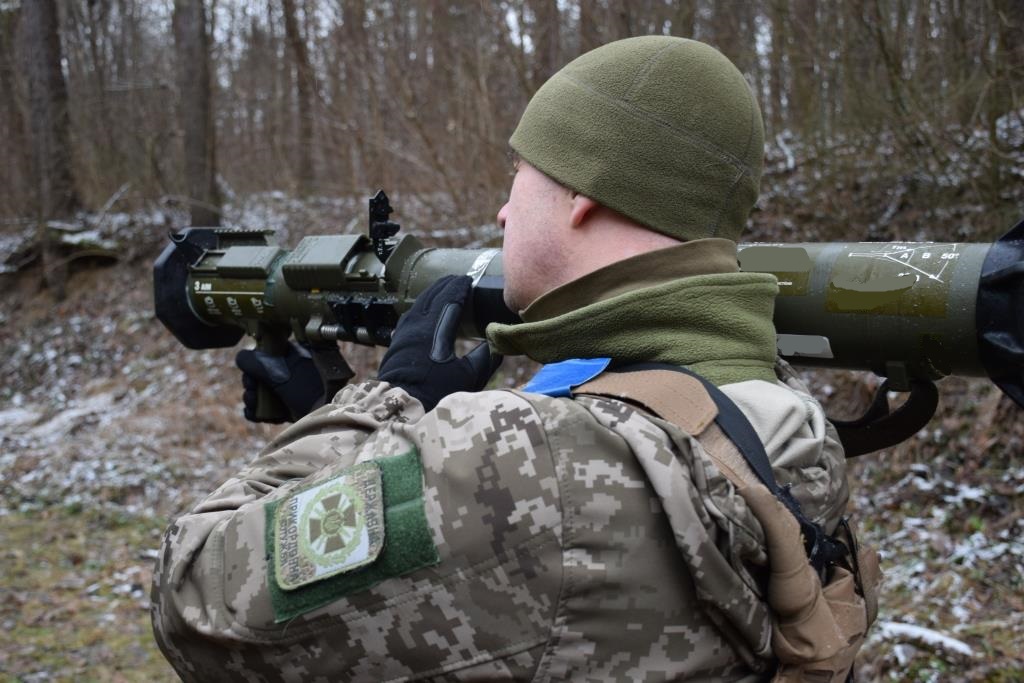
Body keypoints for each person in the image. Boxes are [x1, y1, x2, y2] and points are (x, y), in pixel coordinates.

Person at [151, 36, 851, 681]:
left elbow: (196, 597)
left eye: (519, 172)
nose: (502, 213)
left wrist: (381, 406)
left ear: (582, 193)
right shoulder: (781, 419)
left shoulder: (528, 462)